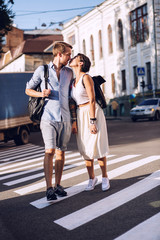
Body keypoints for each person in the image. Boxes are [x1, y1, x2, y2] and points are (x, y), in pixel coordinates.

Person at [25, 41, 73, 201]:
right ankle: (49, 188)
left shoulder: (69, 72)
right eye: (68, 54)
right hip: (48, 117)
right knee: (50, 151)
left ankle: (58, 185)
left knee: (61, 152)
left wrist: (75, 119)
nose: (69, 57)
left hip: (65, 118)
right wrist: (41, 94)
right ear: (59, 54)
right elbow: (28, 89)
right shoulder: (42, 70)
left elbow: (72, 96)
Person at [69, 53, 110, 191]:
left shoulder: (86, 78)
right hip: (81, 114)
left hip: (92, 112)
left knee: (97, 146)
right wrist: (74, 122)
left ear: (81, 63)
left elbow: (92, 99)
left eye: (74, 58)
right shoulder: (73, 81)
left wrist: (93, 121)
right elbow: (73, 104)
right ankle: (92, 178)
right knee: (85, 147)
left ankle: (105, 177)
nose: (71, 59)